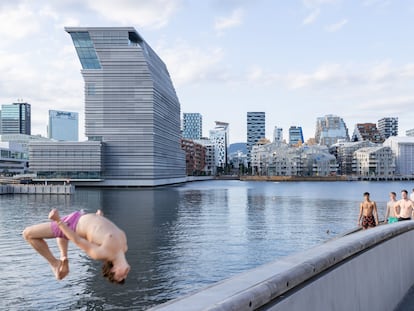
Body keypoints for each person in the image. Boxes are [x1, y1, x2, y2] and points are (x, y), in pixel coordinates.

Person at [23, 209, 130, 284]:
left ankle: (55, 264)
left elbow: (77, 239)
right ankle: (63, 257)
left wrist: (58, 221)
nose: (125, 275)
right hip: (80, 215)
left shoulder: (101, 253)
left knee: (28, 234)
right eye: (125, 277)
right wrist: (98, 218)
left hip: (72, 225)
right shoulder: (124, 246)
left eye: (120, 277)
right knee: (61, 235)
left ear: (113, 270)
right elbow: (101, 234)